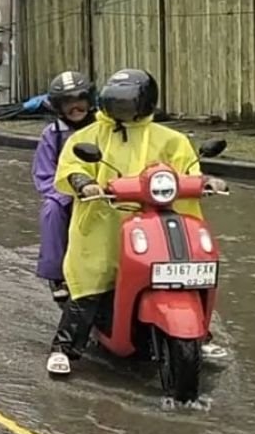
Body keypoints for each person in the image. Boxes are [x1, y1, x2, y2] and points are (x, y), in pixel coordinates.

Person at [47, 69, 227, 375]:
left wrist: (207, 180)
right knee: (92, 280)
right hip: (104, 222)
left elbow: (188, 168)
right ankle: (65, 347)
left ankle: (200, 331)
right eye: (115, 105)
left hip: (155, 219)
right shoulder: (87, 137)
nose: (122, 112)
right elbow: (69, 168)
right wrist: (83, 182)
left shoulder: (171, 139)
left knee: (183, 268)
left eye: (128, 105)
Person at [33, 71, 96, 307]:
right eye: (68, 102)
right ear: (59, 106)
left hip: (109, 194)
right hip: (69, 196)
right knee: (51, 210)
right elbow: (44, 176)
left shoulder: (107, 128)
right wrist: (69, 194)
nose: (76, 106)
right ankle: (57, 274)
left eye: (80, 99)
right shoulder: (52, 135)